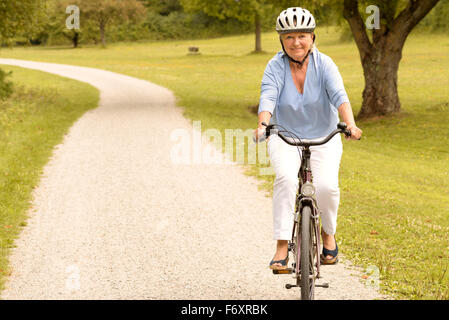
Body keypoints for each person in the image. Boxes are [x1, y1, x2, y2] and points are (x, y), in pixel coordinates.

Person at [254, 7, 363, 270]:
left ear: (312, 37)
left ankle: (328, 234)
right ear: (282, 40)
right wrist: (263, 125)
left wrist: (350, 124)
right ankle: (282, 245)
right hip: (285, 136)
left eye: (302, 35)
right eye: (289, 37)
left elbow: (340, 96)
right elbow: (268, 96)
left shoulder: (324, 64)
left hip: (323, 136)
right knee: (285, 179)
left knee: (327, 187)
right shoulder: (274, 66)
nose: (296, 42)